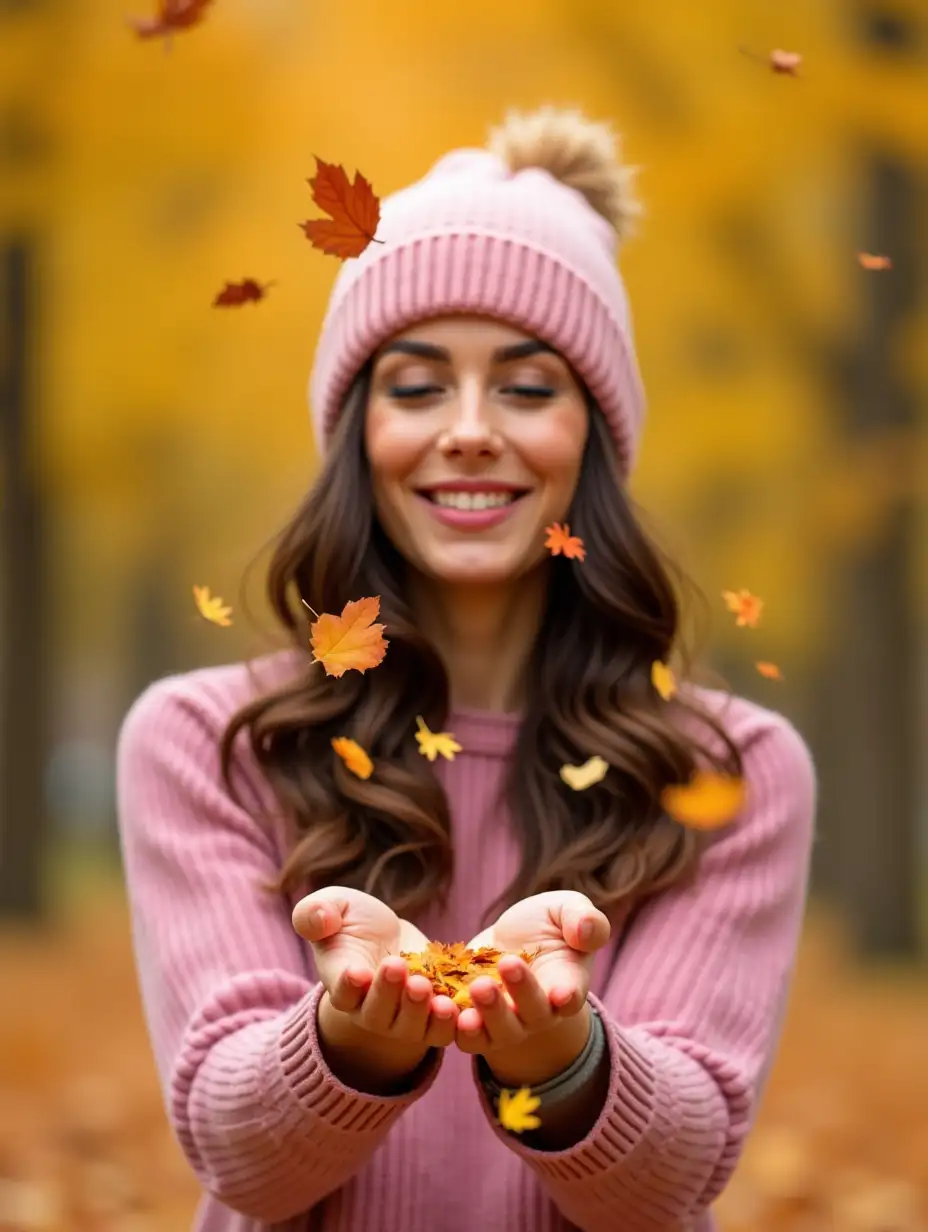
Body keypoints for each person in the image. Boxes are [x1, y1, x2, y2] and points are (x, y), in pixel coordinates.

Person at [116, 105, 816, 1232]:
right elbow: (236, 1152)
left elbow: (676, 1172)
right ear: (357, 430)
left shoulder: (732, 769)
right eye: (417, 383)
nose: (472, 429)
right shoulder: (207, 740)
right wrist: (348, 1037)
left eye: (529, 387)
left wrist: (564, 1054)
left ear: (594, 431)